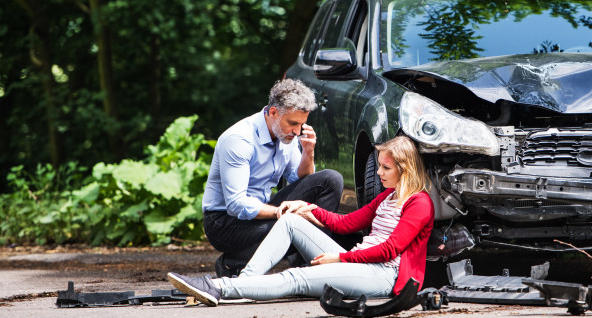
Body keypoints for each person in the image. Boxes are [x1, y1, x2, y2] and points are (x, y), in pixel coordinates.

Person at [168, 135, 434, 305]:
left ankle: (219, 288)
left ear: (405, 169)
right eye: (379, 165)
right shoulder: (387, 197)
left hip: (384, 275)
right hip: (359, 261)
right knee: (290, 221)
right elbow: (346, 223)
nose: (378, 173)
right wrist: (307, 208)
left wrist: (339, 259)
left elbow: (390, 250)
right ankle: (244, 284)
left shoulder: (419, 203)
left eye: (386, 168)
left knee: (297, 277)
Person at [202, 78, 343, 278]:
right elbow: (236, 204)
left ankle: (315, 265)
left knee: (329, 180)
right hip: (224, 222)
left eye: (301, 124)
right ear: (273, 112)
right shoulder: (239, 139)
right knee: (293, 223)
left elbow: (302, 181)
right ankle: (233, 264)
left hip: (261, 210)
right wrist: (282, 213)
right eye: (293, 123)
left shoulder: (287, 135)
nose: (297, 131)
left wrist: (308, 152)